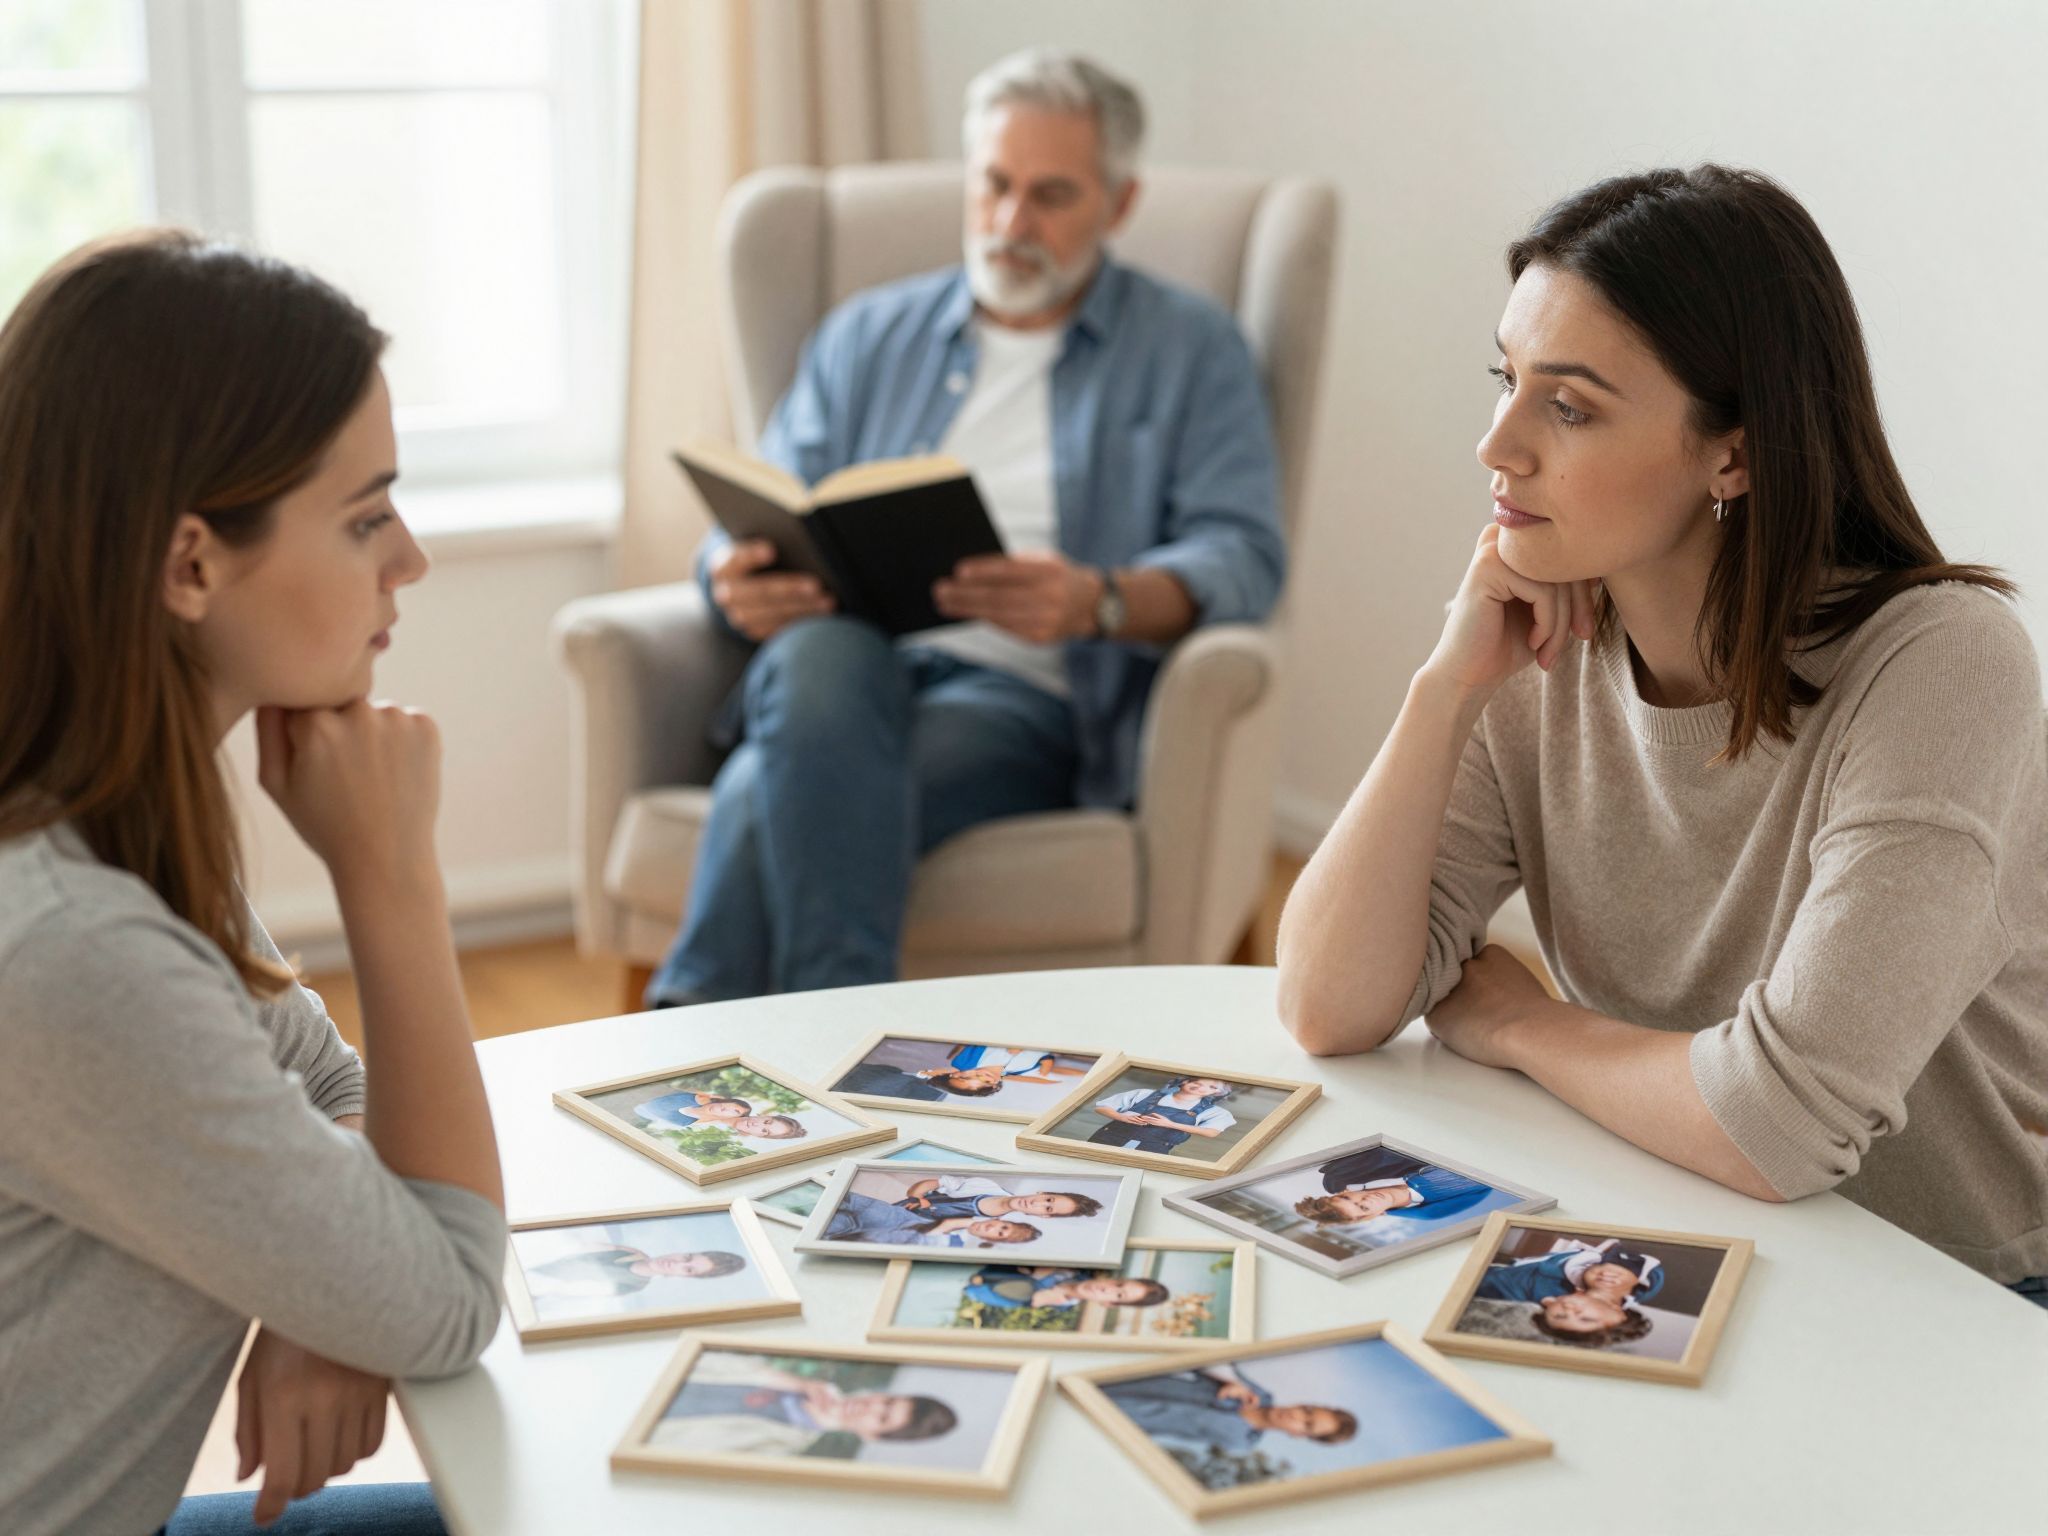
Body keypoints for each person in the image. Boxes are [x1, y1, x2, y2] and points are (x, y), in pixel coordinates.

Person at [1274, 164, 2048, 1307]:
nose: (1496, 446)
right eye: (1504, 379)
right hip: (1675, 1247)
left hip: (1953, 1299)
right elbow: (1326, 1006)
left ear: (1731, 453)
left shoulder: (1940, 664)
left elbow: (1778, 1127)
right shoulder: (1538, 645)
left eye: (1568, 407)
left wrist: (1522, 1023)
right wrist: (1443, 691)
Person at [0, 232, 506, 1536]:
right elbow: (450, 1297)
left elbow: (325, 1083)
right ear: (189, 565)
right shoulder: (73, 946)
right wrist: (392, 879)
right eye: (365, 517)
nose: (408, 560)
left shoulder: (96, 816)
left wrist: (320, 1283)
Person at [645, 46, 1284, 1007]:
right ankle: (839, 1035)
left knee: (767, 787)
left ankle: (697, 1031)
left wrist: (1099, 600)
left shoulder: (1191, 351)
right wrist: (728, 574)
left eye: (1051, 195)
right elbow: (764, 499)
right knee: (822, 662)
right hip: (838, 668)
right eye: (994, 185)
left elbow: (1243, 554)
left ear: (1119, 203)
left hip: (1022, 701)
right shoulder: (867, 334)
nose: (1011, 222)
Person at [649, 1352, 956, 1458]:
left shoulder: (777, 1449)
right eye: (886, 1401)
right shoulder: (787, 1375)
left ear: (872, 1436)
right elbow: (692, 1355)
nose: (872, 1407)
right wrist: (794, 1383)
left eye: (883, 1418)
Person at [1100, 1366, 1356, 1455]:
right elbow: (1210, 1357)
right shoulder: (1259, 1393)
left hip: (1110, 1421)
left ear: (1300, 1435)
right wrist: (1228, 1379)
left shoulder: (1239, 1444)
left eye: (1307, 1424)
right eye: (1307, 1410)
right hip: (1114, 1381)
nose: (1296, 1415)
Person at [1293, 1145, 1495, 1225]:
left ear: (1343, 1192)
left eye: (1348, 1198)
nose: (1367, 1199)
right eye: (1364, 1208)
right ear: (1371, 1216)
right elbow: (1487, 1185)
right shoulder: (1429, 1212)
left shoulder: (1344, 1176)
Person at [1474, 1238, 1664, 1309]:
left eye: (1618, 1281)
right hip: (1497, 1273)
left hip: (1494, 1291)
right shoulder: (1575, 1263)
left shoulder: (1567, 1298)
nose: (1607, 1276)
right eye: (1604, 1269)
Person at [523, 1243, 746, 1301]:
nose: (675, 1263)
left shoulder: (632, 1285)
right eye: (686, 1257)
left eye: (687, 1269)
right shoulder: (627, 1252)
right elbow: (566, 1249)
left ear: (685, 1277)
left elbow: (562, 1291)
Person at [823, 1190, 1040, 1250]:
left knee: (831, 1221)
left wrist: (956, 1224)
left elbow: (915, 1240)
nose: (994, 1227)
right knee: (843, 1199)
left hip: (863, 1235)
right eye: (1003, 1226)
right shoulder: (974, 1215)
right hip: (892, 1216)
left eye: (1000, 1233)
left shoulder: (957, 1244)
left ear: (994, 1240)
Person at [1087, 1076, 1236, 1154]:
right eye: (1197, 1082)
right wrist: (1121, 1117)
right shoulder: (1144, 1093)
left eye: (1211, 1087)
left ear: (1218, 1092)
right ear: (1184, 1082)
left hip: (1153, 1149)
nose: (1200, 1087)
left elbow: (1211, 1132)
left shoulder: (1215, 1112)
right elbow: (1102, 1107)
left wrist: (1170, 1124)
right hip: (1107, 1139)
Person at [896, 1174, 1102, 1222]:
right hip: (896, 1210)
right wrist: (916, 1198)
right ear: (1042, 1193)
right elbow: (931, 1184)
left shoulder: (994, 1227)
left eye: (1047, 1208)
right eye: (1048, 1199)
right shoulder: (985, 1185)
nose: (1037, 1203)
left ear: (1044, 1216)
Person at [964, 1265, 1168, 1312]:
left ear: (1109, 1304)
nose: (1106, 1290)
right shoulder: (1071, 1267)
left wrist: (1032, 1300)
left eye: (1119, 1295)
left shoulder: (1053, 1305)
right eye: (1118, 1285)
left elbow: (974, 1292)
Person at [632, 1089, 807, 1141]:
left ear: (760, 1136)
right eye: (766, 1122)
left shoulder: (719, 1137)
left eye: (764, 1131)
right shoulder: (732, 1104)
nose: (757, 1125)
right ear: (763, 1116)